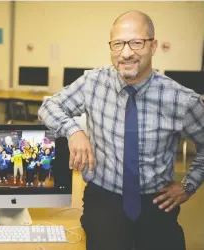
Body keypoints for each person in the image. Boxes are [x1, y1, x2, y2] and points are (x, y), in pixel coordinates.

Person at [38, 10, 204, 250]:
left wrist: (189, 185)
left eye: (136, 43)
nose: (126, 53)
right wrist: (73, 131)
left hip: (156, 201)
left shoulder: (181, 100)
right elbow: (49, 106)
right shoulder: (92, 83)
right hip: (104, 198)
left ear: (153, 46)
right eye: (118, 44)